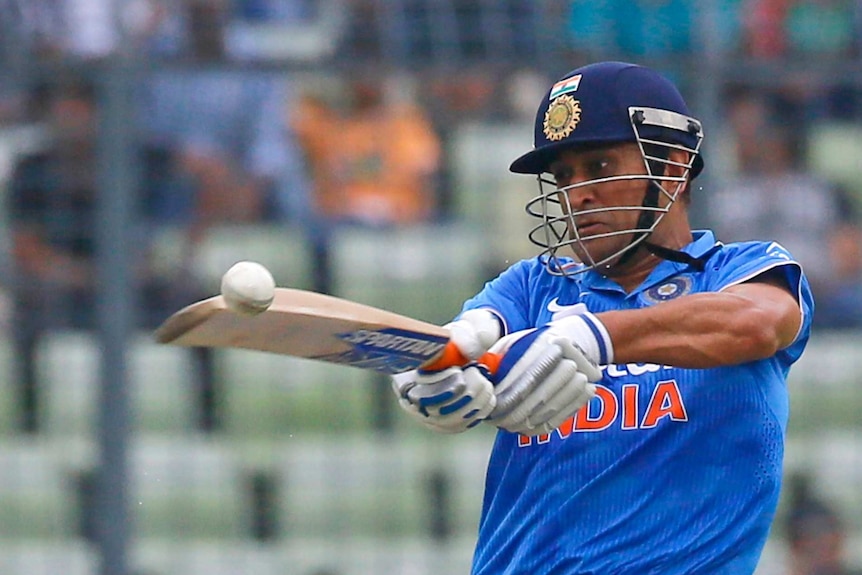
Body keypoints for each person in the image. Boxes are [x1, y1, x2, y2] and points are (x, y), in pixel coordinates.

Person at [390, 61, 814, 574]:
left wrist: (595, 335)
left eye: (601, 168)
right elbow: (470, 337)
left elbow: (759, 323)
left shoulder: (740, 271)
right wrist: (438, 370)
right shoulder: (533, 285)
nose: (577, 194)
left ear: (674, 167)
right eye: (564, 176)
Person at [8, 79, 214, 432]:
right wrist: (84, 275)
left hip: (137, 286)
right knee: (24, 315)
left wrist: (180, 252)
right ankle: (31, 429)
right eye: (64, 107)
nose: (70, 118)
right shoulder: (33, 167)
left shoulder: (142, 155)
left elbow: (210, 176)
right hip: (67, 289)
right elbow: (27, 250)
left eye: (81, 107)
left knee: (201, 307)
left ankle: (207, 425)